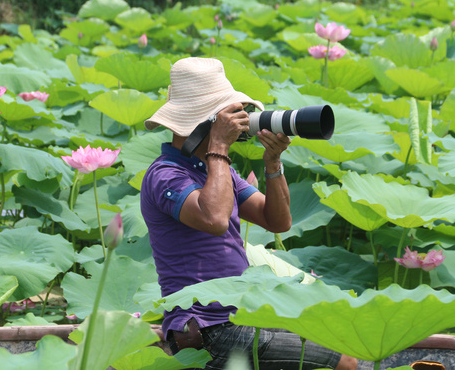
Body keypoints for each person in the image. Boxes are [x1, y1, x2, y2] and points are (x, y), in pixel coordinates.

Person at [140, 57, 357, 370]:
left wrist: (273, 162)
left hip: (246, 313)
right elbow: (214, 219)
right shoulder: (165, 175)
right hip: (207, 327)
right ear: (204, 121)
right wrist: (218, 147)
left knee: (339, 337)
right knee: (344, 363)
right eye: (229, 112)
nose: (240, 120)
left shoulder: (218, 172)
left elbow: (278, 221)